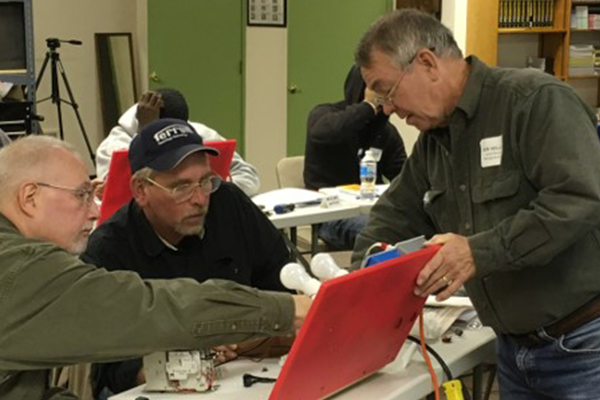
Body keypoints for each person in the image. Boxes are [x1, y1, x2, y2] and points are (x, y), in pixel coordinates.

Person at [351, 9, 600, 400]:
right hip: (514, 352)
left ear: (427, 63)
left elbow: (580, 199)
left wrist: (476, 252)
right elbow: (393, 214)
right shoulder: (435, 142)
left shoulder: (533, 102)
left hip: (584, 346)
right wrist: (356, 284)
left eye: (387, 91)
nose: (387, 108)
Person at [0, 135, 310, 400]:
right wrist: (288, 310)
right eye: (82, 195)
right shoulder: (21, 269)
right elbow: (150, 306)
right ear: (30, 198)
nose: (95, 212)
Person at [82, 118, 292, 396]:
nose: (200, 199)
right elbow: (108, 370)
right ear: (141, 190)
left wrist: (240, 340)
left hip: (247, 373)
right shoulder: (109, 250)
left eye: (205, 181)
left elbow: (286, 286)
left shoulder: (229, 204)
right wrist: (177, 364)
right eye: (181, 187)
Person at [304, 64, 407, 250]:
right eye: (380, 95)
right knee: (380, 231)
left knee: (409, 227)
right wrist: (368, 107)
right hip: (331, 214)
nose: (386, 105)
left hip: (373, 209)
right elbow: (323, 133)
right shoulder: (325, 116)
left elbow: (405, 177)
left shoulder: (385, 132)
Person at [95, 88, 261, 197]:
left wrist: (208, 188)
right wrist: (145, 136)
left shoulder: (199, 133)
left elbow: (249, 178)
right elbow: (120, 197)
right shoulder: (114, 145)